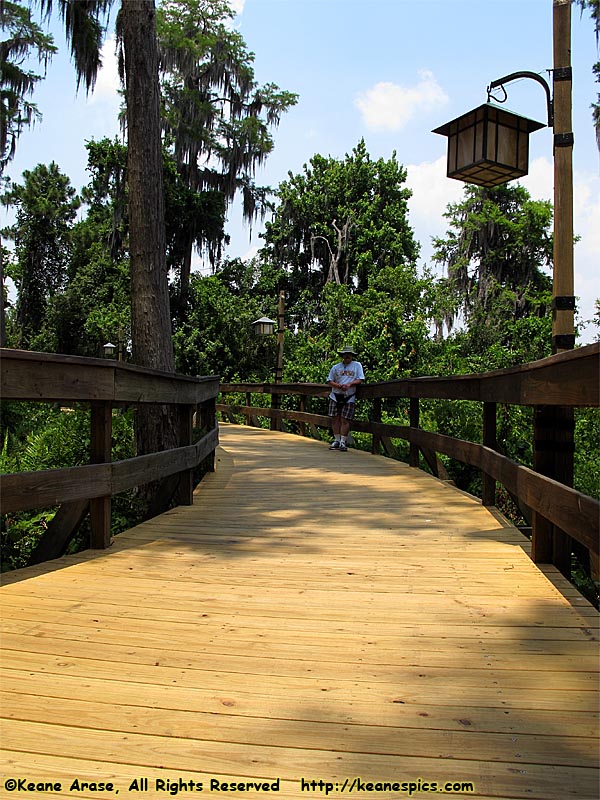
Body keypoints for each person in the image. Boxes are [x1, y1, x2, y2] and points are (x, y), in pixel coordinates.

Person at [327, 346, 365, 451]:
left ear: (352, 355)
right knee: (335, 417)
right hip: (335, 395)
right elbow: (329, 380)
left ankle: (343, 441)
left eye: (349, 354)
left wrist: (350, 384)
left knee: (345, 419)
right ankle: (337, 440)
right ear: (342, 356)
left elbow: (360, 379)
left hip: (349, 395)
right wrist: (338, 386)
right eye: (345, 354)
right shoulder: (336, 367)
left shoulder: (357, 366)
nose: (347, 356)